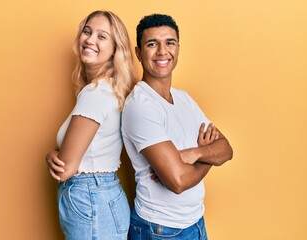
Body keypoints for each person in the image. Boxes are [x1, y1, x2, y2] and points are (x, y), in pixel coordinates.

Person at [121, 14, 233, 240]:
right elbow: (178, 182)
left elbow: (227, 149)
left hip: (195, 221)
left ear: (178, 49)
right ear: (138, 53)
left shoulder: (184, 99)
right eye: (152, 44)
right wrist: (208, 158)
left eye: (169, 42)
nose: (162, 51)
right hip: (161, 229)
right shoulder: (141, 105)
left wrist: (194, 153)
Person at [45, 10, 137, 240]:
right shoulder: (108, 89)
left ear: (116, 48)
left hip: (90, 198)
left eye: (102, 36)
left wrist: (50, 154)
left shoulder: (95, 93)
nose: (90, 39)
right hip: (101, 197)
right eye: (87, 31)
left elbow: (64, 169)